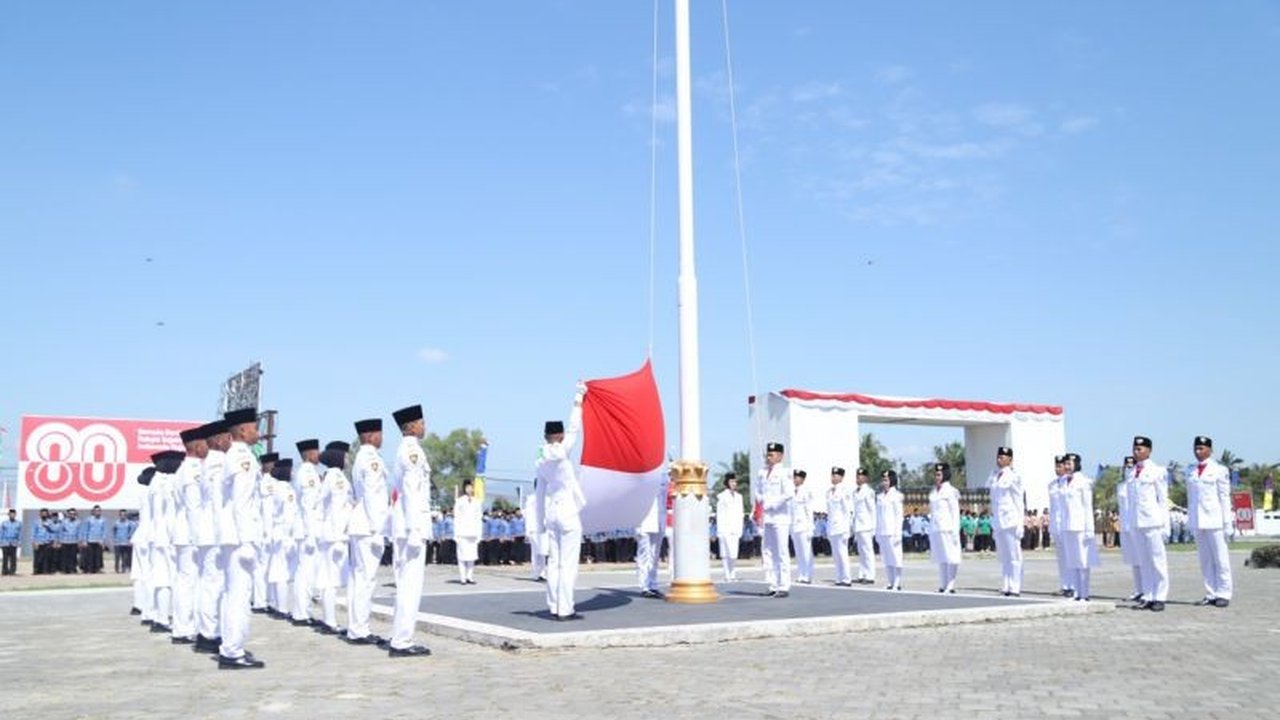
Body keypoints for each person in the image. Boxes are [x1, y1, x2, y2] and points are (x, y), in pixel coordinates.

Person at [217, 407, 266, 669]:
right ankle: (232, 650)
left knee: (234, 593)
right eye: (254, 427)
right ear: (243, 430)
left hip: (233, 536)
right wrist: (247, 540)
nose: (257, 432)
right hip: (239, 538)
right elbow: (242, 503)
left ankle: (232, 646)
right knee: (238, 594)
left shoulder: (235, 455)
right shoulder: (242, 457)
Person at [535, 383, 588, 620]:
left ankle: (554, 604)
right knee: (568, 564)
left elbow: (539, 494)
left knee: (554, 562)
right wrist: (579, 398)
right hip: (568, 513)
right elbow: (575, 428)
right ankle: (565, 609)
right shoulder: (562, 450)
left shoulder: (539, 459)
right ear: (558, 435)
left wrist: (539, 524)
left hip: (551, 513)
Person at [387, 404, 433, 657]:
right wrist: (416, 530)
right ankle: (402, 641)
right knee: (410, 586)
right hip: (411, 527)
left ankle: (400, 636)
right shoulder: (412, 451)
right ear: (411, 426)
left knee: (406, 584)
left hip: (406, 526)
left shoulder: (405, 450)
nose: (424, 426)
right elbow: (413, 493)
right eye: (422, 422)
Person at [346, 417, 390, 646]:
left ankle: (357, 627)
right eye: (380, 434)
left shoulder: (361, 457)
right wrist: (377, 529)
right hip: (368, 526)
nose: (382, 438)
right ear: (371, 435)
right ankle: (359, 629)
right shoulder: (371, 459)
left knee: (359, 578)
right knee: (366, 579)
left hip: (361, 525)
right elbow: (374, 495)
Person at [195, 420, 230, 655]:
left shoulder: (208, 463)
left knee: (210, 583)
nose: (230, 441)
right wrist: (224, 532)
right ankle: (209, 634)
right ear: (218, 440)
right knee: (213, 584)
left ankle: (208, 631)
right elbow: (219, 501)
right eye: (227, 437)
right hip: (214, 531)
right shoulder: (217, 463)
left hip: (208, 530)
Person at [171, 426, 209, 644]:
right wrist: (199, 535)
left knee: (186, 581)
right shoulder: (193, 469)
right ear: (196, 446)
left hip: (184, 532)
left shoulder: (186, 468)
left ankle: (183, 627)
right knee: (189, 582)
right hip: (190, 534)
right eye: (204, 443)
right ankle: (185, 628)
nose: (207, 447)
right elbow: (194, 506)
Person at [1187, 436, 1233, 607]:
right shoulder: (1190, 470)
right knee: (1205, 559)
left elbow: (1224, 497)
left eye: (1201, 448)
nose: (1198, 451)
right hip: (1198, 520)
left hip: (1215, 520)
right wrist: (1191, 520)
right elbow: (1190, 498)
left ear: (1210, 450)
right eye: (1196, 448)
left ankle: (1224, 592)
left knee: (1220, 558)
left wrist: (1227, 522)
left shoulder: (1219, 470)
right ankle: (1211, 592)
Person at [315, 441, 352, 636]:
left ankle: (329, 620)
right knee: (330, 580)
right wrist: (339, 537)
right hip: (335, 535)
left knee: (329, 580)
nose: (348, 459)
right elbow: (338, 508)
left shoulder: (332, 477)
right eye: (345, 455)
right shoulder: (336, 478)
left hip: (330, 533)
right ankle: (329, 621)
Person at [1129, 436, 1170, 611]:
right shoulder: (1131, 472)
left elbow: (1162, 500)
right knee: (1144, 562)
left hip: (1153, 522)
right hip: (1137, 522)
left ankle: (1160, 596)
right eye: (1135, 449)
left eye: (1140, 449)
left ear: (1149, 450)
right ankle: (1148, 595)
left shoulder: (1158, 471)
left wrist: (1165, 525)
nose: (1137, 452)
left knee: (1157, 561)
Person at [148, 450, 185, 634]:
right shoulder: (170, 482)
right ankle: (177, 620)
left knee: (161, 580)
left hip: (158, 536)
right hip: (170, 536)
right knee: (177, 581)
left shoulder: (156, 482)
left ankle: (160, 618)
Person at [752, 442, 794, 598]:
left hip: (780, 516)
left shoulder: (784, 472)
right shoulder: (762, 472)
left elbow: (789, 493)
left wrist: (772, 503)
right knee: (769, 551)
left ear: (780, 456)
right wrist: (760, 500)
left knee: (782, 551)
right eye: (768, 455)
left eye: (772, 454)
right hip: (767, 517)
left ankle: (784, 585)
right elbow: (758, 490)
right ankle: (773, 583)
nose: (769, 457)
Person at [292, 439, 324, 627]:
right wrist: (311, 533)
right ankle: (301, 614)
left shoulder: (309, 472)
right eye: (315, 451)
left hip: (309, 528)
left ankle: (303, 612)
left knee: (307, 572)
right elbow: (308, 505)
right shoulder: (306, 474)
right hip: (307, 530)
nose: (318, 454)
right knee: (305, 572)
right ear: (308, 454)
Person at [989, 446, 1025, 597]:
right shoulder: (993, 475)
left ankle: (1015, 586)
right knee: (1003, 556)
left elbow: (1018, 500)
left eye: (1003, 457)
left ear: (1010, 459)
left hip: (1010, 520)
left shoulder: (1014, 476)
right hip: (998, 520)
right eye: (998, 456)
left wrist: (1020, 523)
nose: (1000, 459)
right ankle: (1006, 584)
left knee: (1014, 555)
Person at [1062, 453, 1098, 601]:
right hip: (1068, 526)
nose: (1066, 466)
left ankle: (1085, 593)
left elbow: (1087, 506)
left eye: (1069, 463)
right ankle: (1077, 593)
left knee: (1083, 561)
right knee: (1073, 561)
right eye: (1065, 463)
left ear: (1077, 464)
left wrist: (1090, 529)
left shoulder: (1084, 482)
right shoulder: (1063, 482)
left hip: (1080, 526)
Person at [635, 466, 669, 598]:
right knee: (644, 553)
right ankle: (644, 585)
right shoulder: (642, 475)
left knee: (655, 554)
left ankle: (653, 584)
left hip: (659, 519)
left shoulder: (664, 475)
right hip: (644, 519)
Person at [929, 463, 961, 593]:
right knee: (940, 557)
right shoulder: (934, 491)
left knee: (951, 556)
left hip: (948, 528)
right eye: (935, 474)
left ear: (945, 475)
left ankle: (951, 584)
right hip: (937, 528)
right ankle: (943, 583)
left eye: (939, 474)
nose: (936, 477)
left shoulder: (951, 491)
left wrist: (955, 530)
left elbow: (955, 512)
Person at [1115, 456, 1144, 602]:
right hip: (1125, 525)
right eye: (1127, 465)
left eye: (1132, 465)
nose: (1129, 468)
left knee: (1143, 559)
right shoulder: (1121, 486)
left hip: (1137, 524)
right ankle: (1138, 589)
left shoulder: (1137, 483)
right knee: (1134, 560)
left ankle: (1147, 589)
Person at [1048, 455, 1075, 597]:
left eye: (1061, 466)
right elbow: (1053, 508)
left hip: (1068, 524)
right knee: (1061, 558)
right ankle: (1065, 585)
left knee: (1070, 556)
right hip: (1056, 525)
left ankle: (1073, 586)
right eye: (1056, 466)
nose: (1058, 469)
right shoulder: (1052, 485)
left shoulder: (1070, 483)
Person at [876, 470, 905, 590]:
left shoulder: (897, 496)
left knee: (896, 557)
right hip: (883, 531)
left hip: (892, 531)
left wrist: (898, 533)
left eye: (886, 480)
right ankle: (890, 581)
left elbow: (899, 516)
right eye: (883, 480)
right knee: (886, 558)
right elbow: (878, 516)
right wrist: (877, 532)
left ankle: (897, 581)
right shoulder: (880, 497)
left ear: (892, 481)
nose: (884, 482)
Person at [825, 468, 853, 586]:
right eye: (832, 475)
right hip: (832, 527)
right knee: (836, 554)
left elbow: (848, 511)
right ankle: (839, 577)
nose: (833, 477)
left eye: (836, 475)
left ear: (841, 477)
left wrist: (848, 528)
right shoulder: (829, 492)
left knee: (842, 553)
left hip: (841, 527)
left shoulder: (844, 491)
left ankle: (846, 578)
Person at [715, 473, 745, 582]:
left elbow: (740, 513)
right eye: (732, 482)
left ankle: (733, 573)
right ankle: (727, 574)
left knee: (733, 553)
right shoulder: (722, 496)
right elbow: (720, 514)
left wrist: (740, 528)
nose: (734, 484)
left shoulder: (739, 497)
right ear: (727, 483)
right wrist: (720, 530)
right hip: (725, 527)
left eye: (735, 482)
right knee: (725, 552)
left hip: (735, 527)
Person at [789, 470, 816, 584]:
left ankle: (807, 575)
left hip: (804, 526)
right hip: (795, 526)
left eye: (797, 477)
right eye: (794, 477)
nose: (795, 479)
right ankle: (801, 574)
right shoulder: (791, 492)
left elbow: (809, 511)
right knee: (798, 552)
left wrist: (810, 527)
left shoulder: (806, 492)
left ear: (802, 479)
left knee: (806, 552)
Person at [454, 480, 483, 584]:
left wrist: (479, 534)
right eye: (467, 487)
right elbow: (456, 518)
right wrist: (456, 534)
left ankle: (469, 577)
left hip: (473, 533)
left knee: (472, 556)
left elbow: (479, 518)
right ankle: (462, 578)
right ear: (464, 488)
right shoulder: (459, 501)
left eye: (471, 487)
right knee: (462, 557)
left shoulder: (477, 501)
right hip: (462, 532)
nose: (469, 489)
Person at [852, 468, 877, 585]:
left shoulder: (869, 492)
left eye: (861, 476)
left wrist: (873, 527)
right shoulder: (855, 492)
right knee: (861, 551)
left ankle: (870, 575)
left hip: (866, 525)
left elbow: (872, 510)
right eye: (857, 476)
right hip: (858, 525)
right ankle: (862, 574)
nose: (858, 478)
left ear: (866, 478)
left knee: (867, 551)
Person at [80, 505, 107, 573]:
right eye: (96, 511)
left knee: (98, 556)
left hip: (99, 541)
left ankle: (97, 569)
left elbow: (104, 531)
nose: (97, 512)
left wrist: (103, 540)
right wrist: (84, 541)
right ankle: (90, 569)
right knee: (90, 556)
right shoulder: (88, 520)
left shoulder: (103, 520)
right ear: (93, 511)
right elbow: (85, 530)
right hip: (90, 540)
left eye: (99, 511)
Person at [111, 509, 135, 574]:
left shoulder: (129, 523)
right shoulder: (116, 523)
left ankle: (123, 568)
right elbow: (113, 530)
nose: (123, 516)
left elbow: (132, 531)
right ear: (119, 515)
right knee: (117, 557)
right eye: (121, 515)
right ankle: (117, 569)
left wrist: (129, 538)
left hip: (125, 542)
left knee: (125, 557)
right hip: (118, 542)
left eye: (124, 515)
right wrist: (114, 539)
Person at [0, 510, 20, 575]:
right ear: (8, 515)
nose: (12, 515)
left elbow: (20, 534)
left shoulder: (18, 523)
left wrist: (19, 542)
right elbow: (1, 533)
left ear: (15, 515)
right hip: (5, 542)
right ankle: (4, 571)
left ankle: (12, 571)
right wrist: (0, 542)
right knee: (5, 558)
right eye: (11, 514)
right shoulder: (4, 523)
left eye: (13, 514)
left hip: (14, 542)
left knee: (13, 558)